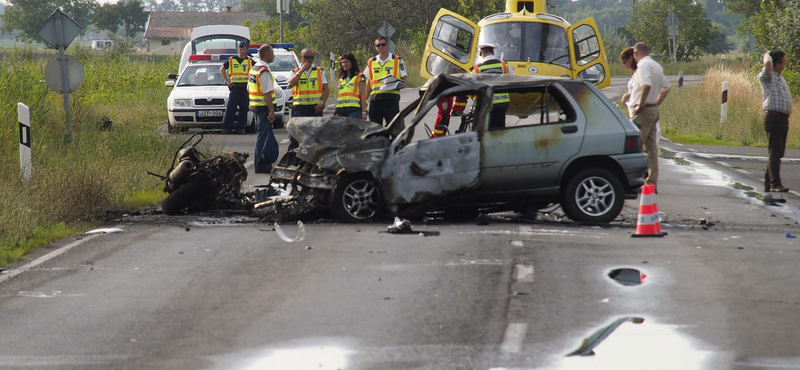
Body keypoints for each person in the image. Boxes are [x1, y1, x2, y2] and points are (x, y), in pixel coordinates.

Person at [630, 42, 670, 193]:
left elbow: (645, 85)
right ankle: (651, 183)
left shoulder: (643, 66)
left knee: (634, 145)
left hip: (644, 111)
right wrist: (654, 103)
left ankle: (634, 180)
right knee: (652, 149)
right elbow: (666, 87)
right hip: (652, 109)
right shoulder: (656, 66)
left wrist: (641, 104)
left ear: (635, 53)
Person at [759, 49, 792, 192]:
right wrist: (767, 54)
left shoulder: (780, 78)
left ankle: (769, 184)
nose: (784, 65)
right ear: (775, 63)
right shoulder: (768, 77)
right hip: (774, 117)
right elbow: (767, 64)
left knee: (777, 152)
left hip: (783, 118)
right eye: (782, 62)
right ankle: (775, 184)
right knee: (775, 151)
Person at [287, 48, 329, 150]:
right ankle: (293, 161)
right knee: (295, 137)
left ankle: (313, 162)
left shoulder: (319, 71)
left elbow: (326, 90)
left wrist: (322, 103)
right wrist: (301, 71)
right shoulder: (295, 72)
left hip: (315, 109)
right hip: (299, 109)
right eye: (306, 57)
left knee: (315, 137)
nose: (309, 60)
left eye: (311, 57)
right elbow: (290, 84)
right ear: (301, 57)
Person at [619, 48, 661, 144]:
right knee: (649, 147)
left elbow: (646, 87)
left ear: (631, 58)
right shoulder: (639, 71)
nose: (625, 66)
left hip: (641, 112)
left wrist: (640, 104)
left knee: (637, 144)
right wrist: (628, 95)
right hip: (639, 110)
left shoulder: (642, 70)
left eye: (625, 62)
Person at [364, 36, 408, 126]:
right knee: (374, 129)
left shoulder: (397, 60)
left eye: (383, 45)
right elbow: (368, 83)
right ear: (375, 47)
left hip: (391, 98)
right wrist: (364, 101)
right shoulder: (371, 62)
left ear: (388, 45)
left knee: (394, 127)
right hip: (375, 99)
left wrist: (398, 85)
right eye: (378, 45)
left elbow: (405, 81)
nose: (381, 47)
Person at [248, 45, 279, 174]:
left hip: (256, 106)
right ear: (266, 55)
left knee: (264, 136)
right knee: (262, 136)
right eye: (272, 54)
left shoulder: (253, 69)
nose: (273, 56)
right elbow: (267, 93)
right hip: (263, 108)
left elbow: (248, 88)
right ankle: (260, 164)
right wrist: (271, 111)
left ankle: (263, 163)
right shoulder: (263, 71)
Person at [471, 44, 513, 130]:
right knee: (500, 128)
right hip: (502, 103)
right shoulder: (504, 65)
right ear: (493, 52)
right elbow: (513, 80)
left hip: (485, 103)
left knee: (486, 129)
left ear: (482, 53)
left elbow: (472, 86)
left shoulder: (477, 69)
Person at [220, 40, 253, 134]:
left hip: (245, 88)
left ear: (246, 50)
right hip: (234, 88)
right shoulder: (231, 60)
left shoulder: (250, 61)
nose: (243, 51)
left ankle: (240, 128)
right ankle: (227, 128)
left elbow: (257, 70)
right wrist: (227, 81)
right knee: (231, 108)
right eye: (241, 49)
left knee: (244, 109)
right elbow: (222, 69)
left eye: (244, 49)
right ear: (238, 49)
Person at [334, 53, 368, 119]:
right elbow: (340, 97)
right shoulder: (342, 79)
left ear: (352, 63)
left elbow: (363, 95)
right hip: (342, 110)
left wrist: (364, 112)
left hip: (354, 110)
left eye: (346, 62)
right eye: (342, 62)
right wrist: (337, 111)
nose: (344, 64)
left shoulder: (359, 77)